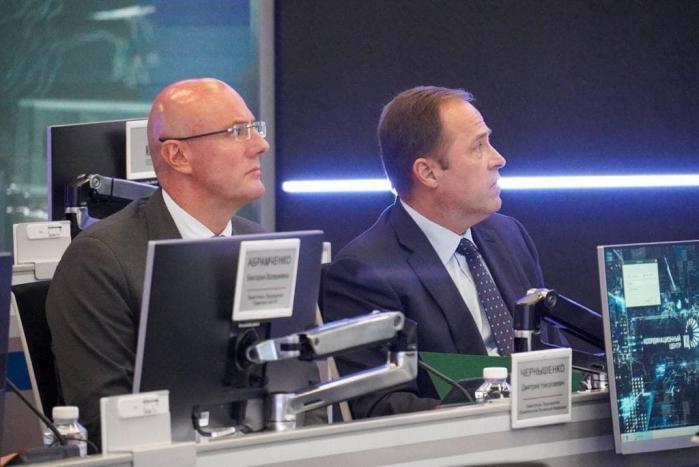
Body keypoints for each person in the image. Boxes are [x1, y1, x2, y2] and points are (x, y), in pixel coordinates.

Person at [46, 78, 269, 447]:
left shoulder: (262, 245)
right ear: (177, 156)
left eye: (255, 128)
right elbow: (107, 422)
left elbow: (298, 392)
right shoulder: (100, 261)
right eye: (237, 132)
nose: (260, 145)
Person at [322, 86, 545, 418]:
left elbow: (549, 351)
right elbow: (379, 406)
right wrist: (492, 406)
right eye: (478, 146)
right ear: (428, 173)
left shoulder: (509, 235)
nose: (498, 159)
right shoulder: (363, 271)